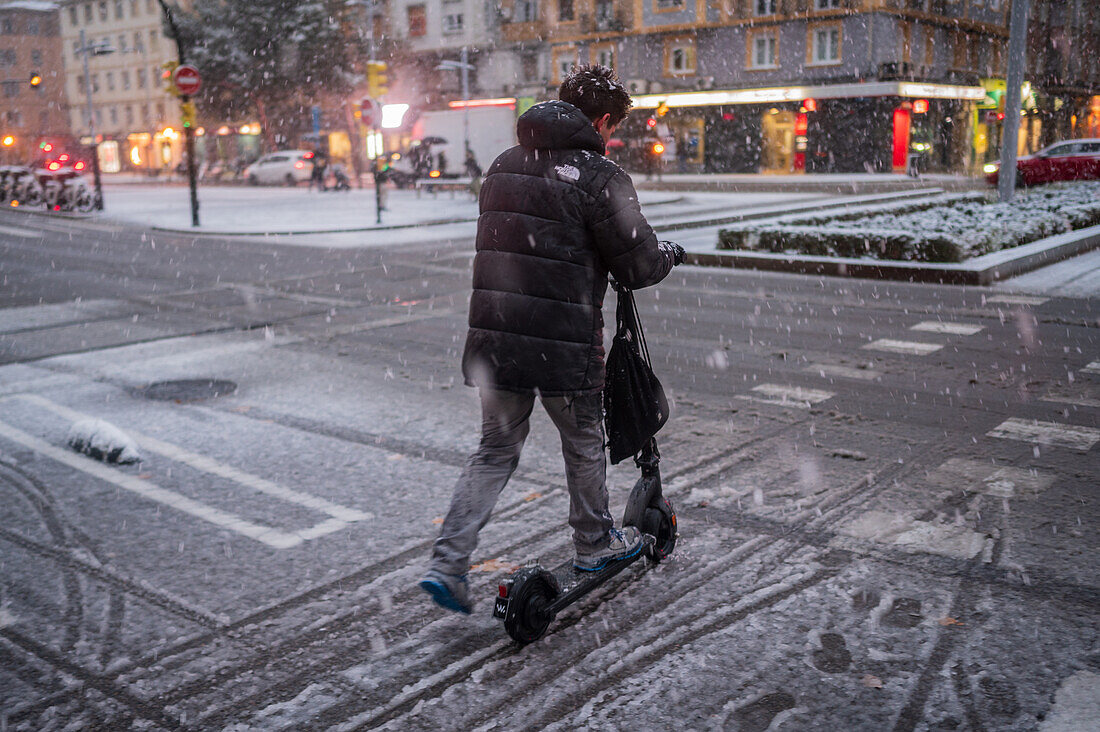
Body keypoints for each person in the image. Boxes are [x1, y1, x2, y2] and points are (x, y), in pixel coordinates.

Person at [420, 65, 686, 614]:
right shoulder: (600, 175)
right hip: (564, 346)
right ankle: (593, 544)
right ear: (604, 120)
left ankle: (447, 563)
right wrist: (668, 257)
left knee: (494, 451)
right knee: (584, 443)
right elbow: (636, 262)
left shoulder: (502, 166)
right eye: (612, 127)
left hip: (496, 341)